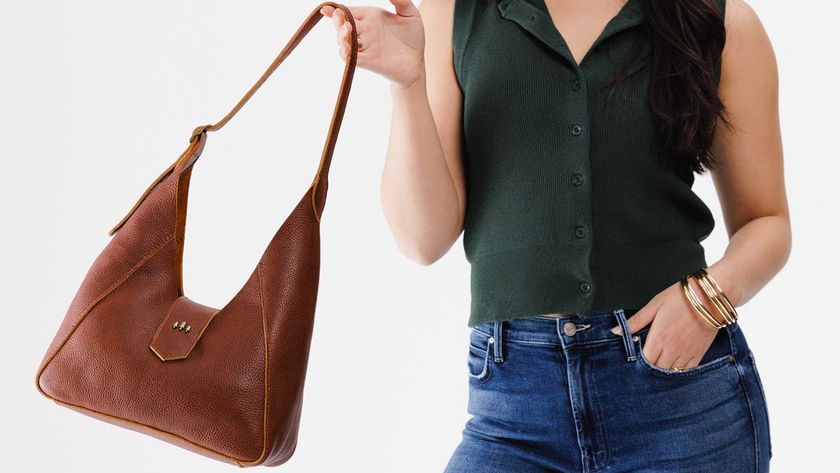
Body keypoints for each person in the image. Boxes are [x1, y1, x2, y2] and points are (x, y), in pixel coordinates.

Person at [322, 0, 788, 471]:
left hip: (680, 394)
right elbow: (422, 240)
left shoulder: (716, 18)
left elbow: (767, 221)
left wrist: (703, 301)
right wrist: (408, 84)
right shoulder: (455, 11)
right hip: (513, 408)